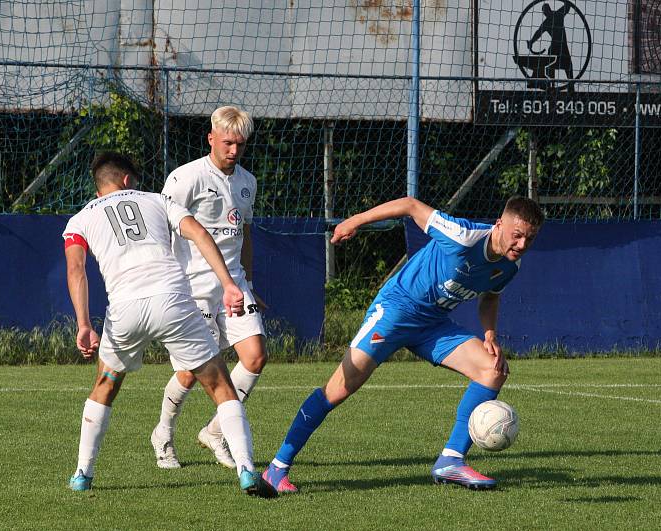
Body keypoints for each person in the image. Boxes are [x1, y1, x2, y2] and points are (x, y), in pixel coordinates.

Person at [261, 195, 544, 493]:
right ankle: (276, 469)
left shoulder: (511, 266)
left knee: (493, 369)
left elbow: (491, 295)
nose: (522, 244)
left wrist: (489, 334)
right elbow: (410, 205)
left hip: (433, 325)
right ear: (499, 224)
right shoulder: (462, 237)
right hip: (397, 311)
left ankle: (451, 460)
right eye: (517, 235)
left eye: (530, 238)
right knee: (339, 388)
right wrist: (354, 221)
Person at [63, 151, 275, 497]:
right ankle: (247, 471)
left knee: (105, 385)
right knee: (220, 386)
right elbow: (200, 234)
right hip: (173, 302)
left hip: (124, 311)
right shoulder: (158, 200)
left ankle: (82, 474)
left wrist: (84, 324)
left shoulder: (79, 220)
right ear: (129, 180)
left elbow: (76, 270)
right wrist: (231, 283)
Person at [150, 105, 269, 470]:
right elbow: (162, 226)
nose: (235, 150)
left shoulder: (246, 182)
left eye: (241, 144)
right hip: (193, 288)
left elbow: (243, 234)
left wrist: (246, 280)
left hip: (233, 286)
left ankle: (215, 431)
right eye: (229, 143)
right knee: (191, 371)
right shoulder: (186, 178)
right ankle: (163, 433)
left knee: (256, 356)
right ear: (211, 139)